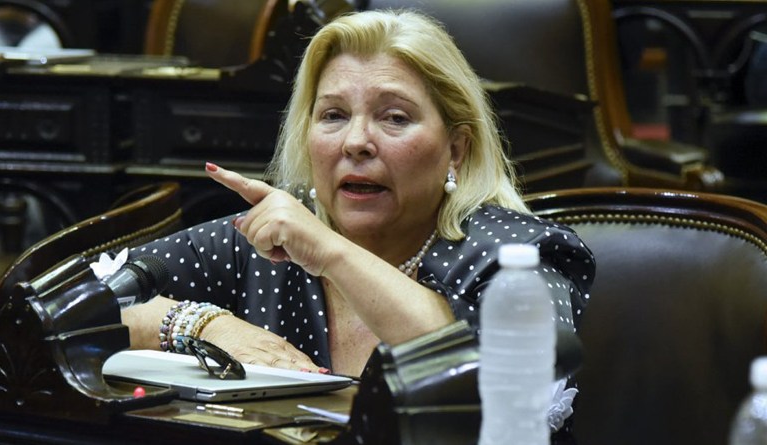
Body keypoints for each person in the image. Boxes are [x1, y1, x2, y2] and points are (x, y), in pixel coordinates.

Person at [122, 7, 594, 398]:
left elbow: (518, 379)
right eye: (333, 115)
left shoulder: (517, 254)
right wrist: (206, 325)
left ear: (456, 149)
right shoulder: (258, 244)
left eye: (395, 118)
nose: (356, 142)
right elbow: (93, 301)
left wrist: (331, 252)